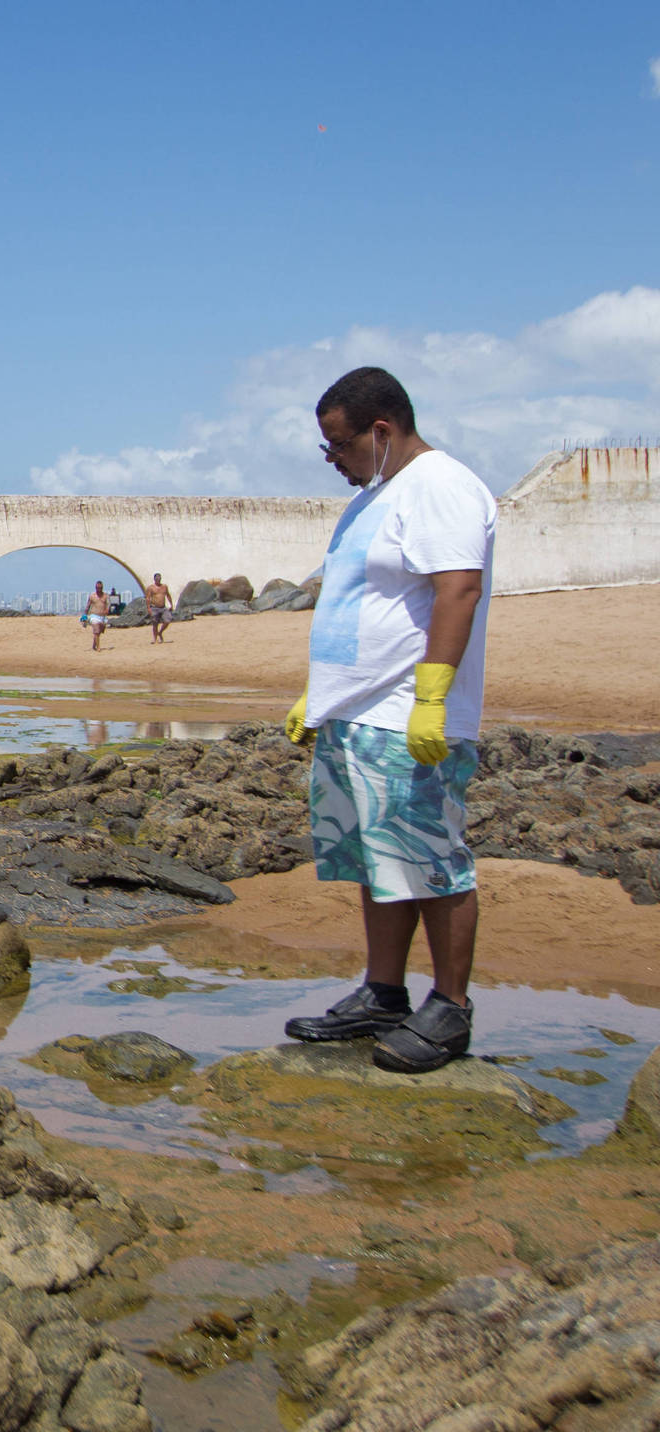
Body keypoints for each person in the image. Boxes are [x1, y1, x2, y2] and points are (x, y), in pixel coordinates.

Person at [282, 366, 495, 1074]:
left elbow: (457, 589)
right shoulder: (374, 499)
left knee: (432, 860)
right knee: (380, 862)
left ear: (381, 429)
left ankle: (452, 1008)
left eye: (338, 447)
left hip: (408, 714)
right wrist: (320, 698)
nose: (334, 462)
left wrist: (433, 695)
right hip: (356, 714)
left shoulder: (441, 486)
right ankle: (384, 992)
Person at [83, 581, 110, 652]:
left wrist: (107, 610)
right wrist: (84, 615)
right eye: (97, 588)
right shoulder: (92, 596)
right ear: (95, 588)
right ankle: (98, 648)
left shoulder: (105, 596)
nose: (99, 589)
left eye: (100, 588)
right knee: (96, 631)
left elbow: (108, 605)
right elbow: (88, 606)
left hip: (102, 617)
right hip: (94, 616)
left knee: (99, 632)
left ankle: (94, 645)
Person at [147, 574, 173, 644]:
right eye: (157, 578)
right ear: (154, 579)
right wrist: (149, 608)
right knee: (155, 623)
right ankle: (155, 639)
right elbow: (148, 598)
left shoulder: (164, 587)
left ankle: (160, 632)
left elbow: (168, 595)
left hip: (163, 607)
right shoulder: (151, 588)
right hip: (154, 607)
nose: (158, 579)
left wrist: (171, 604)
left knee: (167, 620)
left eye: (159, 578)